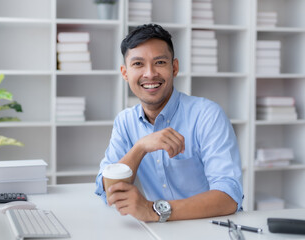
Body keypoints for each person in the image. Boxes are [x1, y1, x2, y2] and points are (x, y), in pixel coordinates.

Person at [95, 24, 243, 222]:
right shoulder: (125, 121)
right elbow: (108, 190)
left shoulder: (207, 115)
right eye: (138, 64)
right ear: (125, 73)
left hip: (211, 229)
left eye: (160, 62)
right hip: (161, 232)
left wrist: (154, 210)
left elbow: (229, 196)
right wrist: (140, 147)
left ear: (174, 68)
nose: (149, 74)